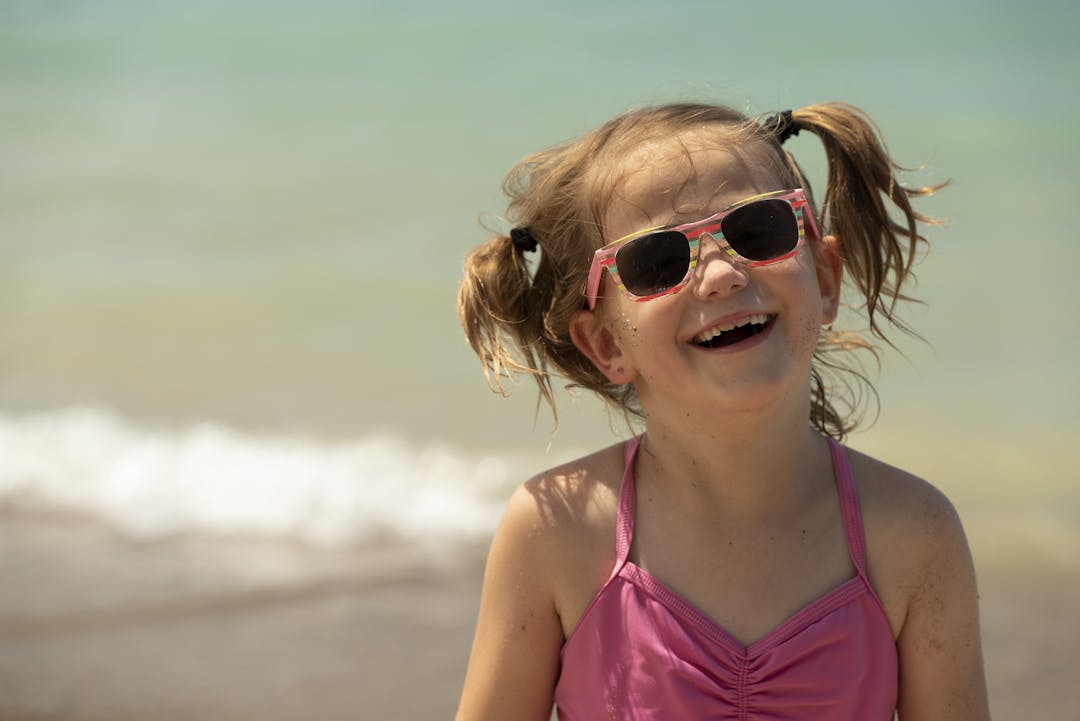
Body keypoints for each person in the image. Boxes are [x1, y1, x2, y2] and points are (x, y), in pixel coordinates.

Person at [454, 102, 990, 720]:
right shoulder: (557, 532)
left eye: (758, 230)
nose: (720, 275)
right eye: (657, 261)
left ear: (825, 276)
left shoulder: (913, 533)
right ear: (605, 343)